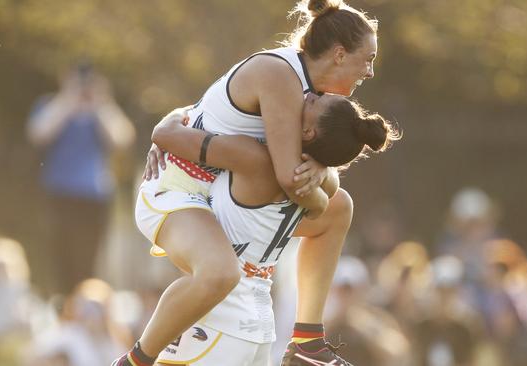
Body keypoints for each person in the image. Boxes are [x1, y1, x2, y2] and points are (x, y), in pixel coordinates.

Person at [125, 1, 382, 364]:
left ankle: (307, 341)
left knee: (340, 208)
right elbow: (290, 178)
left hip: (217, 196)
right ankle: (134, 360)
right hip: (177, 192)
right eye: (367, 58)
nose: (369, 71)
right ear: (339, 54)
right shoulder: (281, 77)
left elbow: (310, 170)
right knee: (220, 273)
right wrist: (321, 190)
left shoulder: (309, 94)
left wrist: (324, 175)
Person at [27, 62, 135, 294]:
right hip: (60, 193)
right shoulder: (51, 105)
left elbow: (122, 139)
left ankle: (86, 298)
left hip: (94, 197)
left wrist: (101, 103)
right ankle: (61, 299)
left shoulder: (102, 112)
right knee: (60, 253)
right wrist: (68, 99)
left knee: (91, 256)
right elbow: (39, 133)